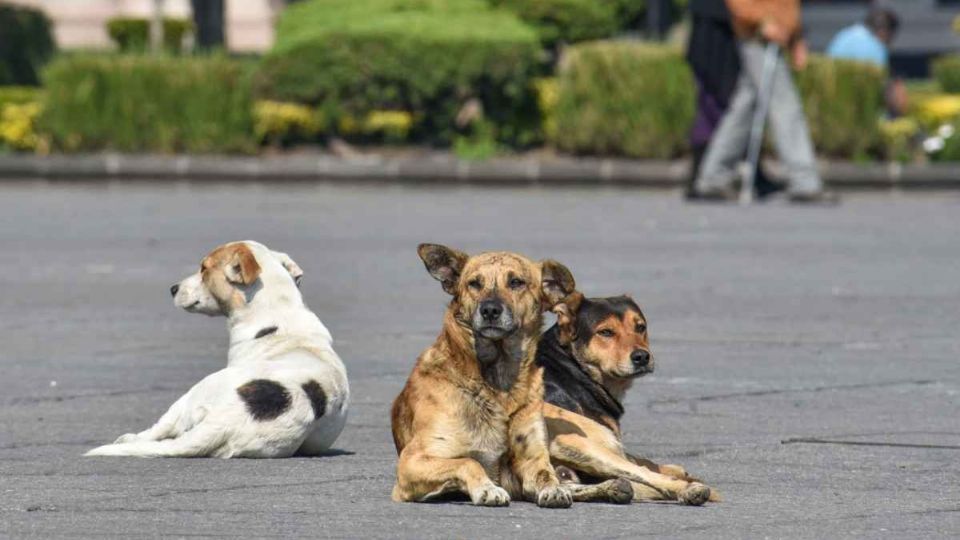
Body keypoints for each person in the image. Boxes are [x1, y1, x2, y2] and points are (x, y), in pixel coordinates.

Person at [694, 0, 837, 204]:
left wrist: (795, 38)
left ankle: (713, 176)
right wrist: (761, 23)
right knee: (785, 106)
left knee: (744, 108)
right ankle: (804, 181)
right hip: (757, 38)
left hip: (769, 38)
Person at [685, 0, 783, 200]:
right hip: (718, 29)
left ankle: (713, 175)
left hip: (724, 26)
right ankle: (706, 175)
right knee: (719, 104)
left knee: (732, 104)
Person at [827, 6, 907, 117]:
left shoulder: (844, 35)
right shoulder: (875, 47)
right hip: (857, 112)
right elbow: (881, 89)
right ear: (885, 32)